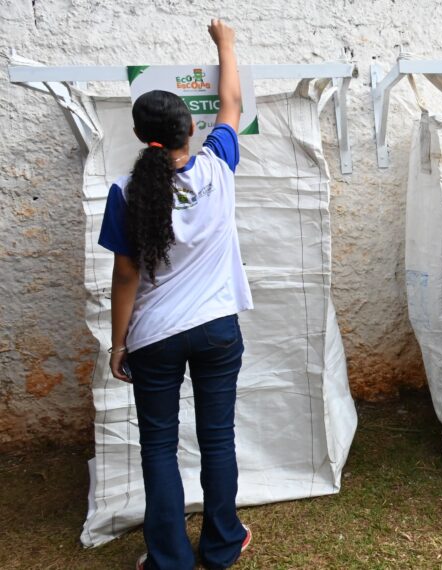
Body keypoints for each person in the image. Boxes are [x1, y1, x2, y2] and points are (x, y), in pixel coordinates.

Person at [99, 19, 253, 569]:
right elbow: (232, 102)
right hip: (216, 330)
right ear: (193, 126)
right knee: (218, 439)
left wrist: (118, 346)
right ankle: (222, 543)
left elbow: (125, 276)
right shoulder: (218, 164)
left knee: (158, 447)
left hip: (153, 339)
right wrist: (225, 46)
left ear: (143, 137)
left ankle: (169, 560)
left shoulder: (126, 189)